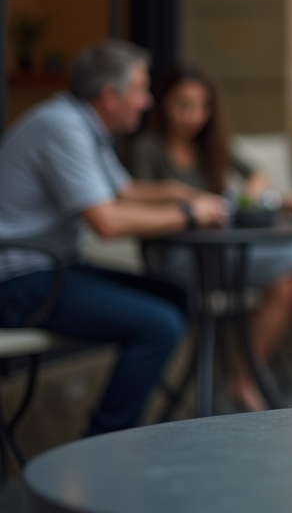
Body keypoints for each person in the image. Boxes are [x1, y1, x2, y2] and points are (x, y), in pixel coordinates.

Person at [128, 64, 292, 410]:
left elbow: (254, 176)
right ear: (163, 104)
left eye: (202, 106)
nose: (194, 116)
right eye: (183, 105)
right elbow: (135, 200)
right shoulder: (148, 148)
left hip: (222, 254)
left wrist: (270, 196)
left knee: (285, 284)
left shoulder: (210, 146)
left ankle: (242, 378)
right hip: (176, 261)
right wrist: (187, 200)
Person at [0, 41, 228, 435]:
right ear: (110, 96)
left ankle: (155, 420)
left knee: (176, 296)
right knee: (159, 324)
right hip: (18, 279)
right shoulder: (61, 127)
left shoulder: (87, 127)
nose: (147, 101)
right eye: (140, 90)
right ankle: (104, 443)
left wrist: (183, 192)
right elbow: (106, 222)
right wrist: (190, 214)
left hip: (56, 267)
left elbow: (123, 191)